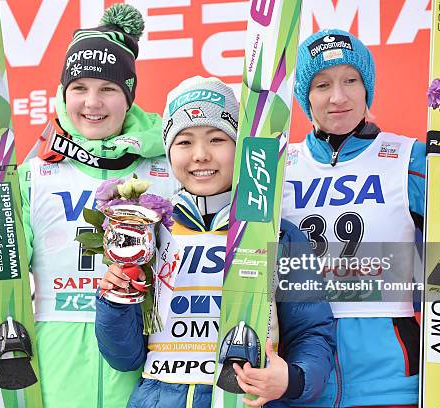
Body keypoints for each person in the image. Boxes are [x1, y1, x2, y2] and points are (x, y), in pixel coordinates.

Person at [0, 4, 178, 407]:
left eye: (108, 89)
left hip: (147, 371)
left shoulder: (168, 169)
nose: (93, 102)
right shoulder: (35, 175)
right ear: (61, 95)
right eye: (79, 88)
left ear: (128, 97)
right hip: (55, 376)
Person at [281, 29, 440, 407]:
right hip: (297, 382)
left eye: (351, 81)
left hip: (388, 383)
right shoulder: (277, 170)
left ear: (367, 86)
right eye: (322, 84)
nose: (338, 97)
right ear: (305, 97)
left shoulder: (413, 162)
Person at [95, 76, 336, 407]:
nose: (201, 155)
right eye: (184, 142)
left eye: (217, 139)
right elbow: (124, 357)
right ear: (168, 152)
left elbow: (312, 332)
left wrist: (292, 379)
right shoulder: (148, 233)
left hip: (246, 399)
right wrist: (114, 301)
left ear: (239, 147)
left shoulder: (276, 234)